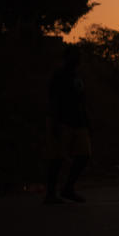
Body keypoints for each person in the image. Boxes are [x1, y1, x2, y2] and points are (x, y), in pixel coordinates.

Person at [45, 45, 91, 204]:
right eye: (75, 56)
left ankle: (67, 188)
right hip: (62, 121)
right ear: (67, 58)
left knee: (84, 156)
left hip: (79, 122)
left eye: (79, 56)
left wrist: (86, 121)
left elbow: (82, 100)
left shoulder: (78, 76)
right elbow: (53, 99)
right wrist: (55, 123)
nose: (78, 59)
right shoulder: (59, 75)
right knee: (56, 158)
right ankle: (50, 194)